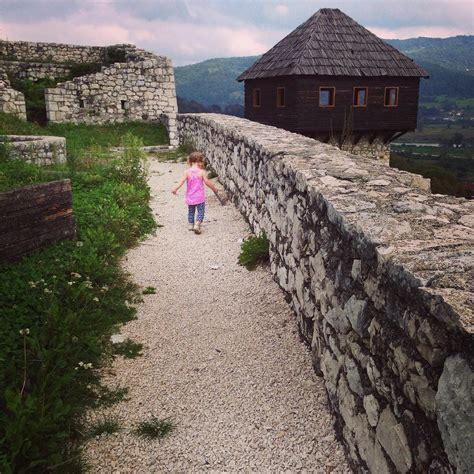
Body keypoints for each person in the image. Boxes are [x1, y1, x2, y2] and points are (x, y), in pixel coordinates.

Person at [171, 152, 218, 234]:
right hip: (199, 197)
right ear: (200, 162)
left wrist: (175, 188)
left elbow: (181, 181)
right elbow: (207, 182)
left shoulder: (186, 172)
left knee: (191, 211)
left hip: (190, 196)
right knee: (200, 211)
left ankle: (190, 224)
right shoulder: (202, 172)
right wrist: (214, 188)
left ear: (190, 161)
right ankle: (197, 224)